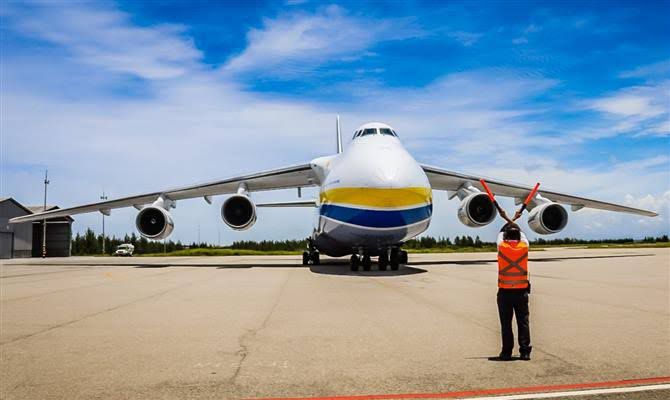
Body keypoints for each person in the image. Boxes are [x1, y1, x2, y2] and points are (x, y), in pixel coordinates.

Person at [494, 208, 532, 361]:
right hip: (521, 292)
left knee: (506, 324)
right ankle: (525, 352)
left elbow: (501, 233)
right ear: (518, 236)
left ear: (505, 236)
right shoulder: (524, 247)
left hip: (504, 293)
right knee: (523, 323)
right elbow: (521, 233)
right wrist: (512, 219)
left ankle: (506, 352)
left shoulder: (501, 246)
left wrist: (506, 218)